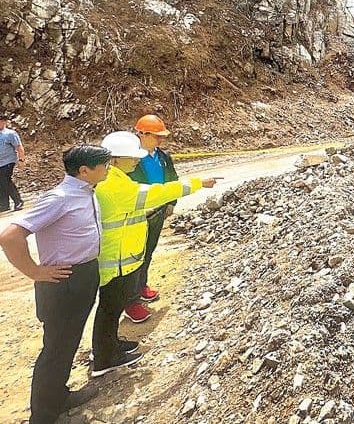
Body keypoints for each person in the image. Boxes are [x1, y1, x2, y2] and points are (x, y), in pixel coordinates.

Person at [0, 146, 112, 424]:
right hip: (64, 282)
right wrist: (34, 271)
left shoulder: (86, 191)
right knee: (56, 349)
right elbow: (10, 236)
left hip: (83, 274)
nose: (109, 169)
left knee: (68, 343)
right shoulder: (59, 198)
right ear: (84, 171)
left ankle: (59, 396)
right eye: (104, 165)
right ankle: (44, 416)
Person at [92, 131, 215, 377]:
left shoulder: (116, 178)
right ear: (115, 159)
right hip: (116, 259)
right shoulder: (113, 184)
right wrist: (198, 183)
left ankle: (108, 345)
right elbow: (155, 193)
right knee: (110, 308)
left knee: (110, 307)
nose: (137, 161)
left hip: (118, 256)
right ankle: (106, 357)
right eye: (132, 157)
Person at [123, 114, 179, 322]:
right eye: (156, 136)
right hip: (137, 215)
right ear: (142, 134)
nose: (160, 140)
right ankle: (130, 301)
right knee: (133, 257)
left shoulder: (163, 157)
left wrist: (171, 202)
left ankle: (141, 286)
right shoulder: (129, 161)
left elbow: (173, 179)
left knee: (148, 252)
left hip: (157, 213)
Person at [0, 113, 25, 212]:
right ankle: (4, 205)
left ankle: (18, 201)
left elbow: (19, 147)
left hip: (8, 161)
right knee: (1, 183)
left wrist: (21, 159)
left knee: (5, 180)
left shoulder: (10, 134)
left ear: (4, 122)